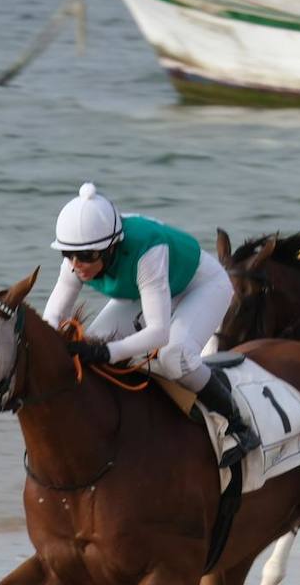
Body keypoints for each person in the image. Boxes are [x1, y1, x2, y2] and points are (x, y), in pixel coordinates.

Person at [42, 182, 260, 467]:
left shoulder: (147, 252)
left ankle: (238, 424)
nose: (76, 265)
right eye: (67, 255)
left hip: (202, 285)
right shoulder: (77, 257)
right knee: (93, 342)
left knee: (174, 356)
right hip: (148, 289)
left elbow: (158, 332)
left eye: (86, 257)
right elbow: (52, 319)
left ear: (110, 249)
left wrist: (107, 352)